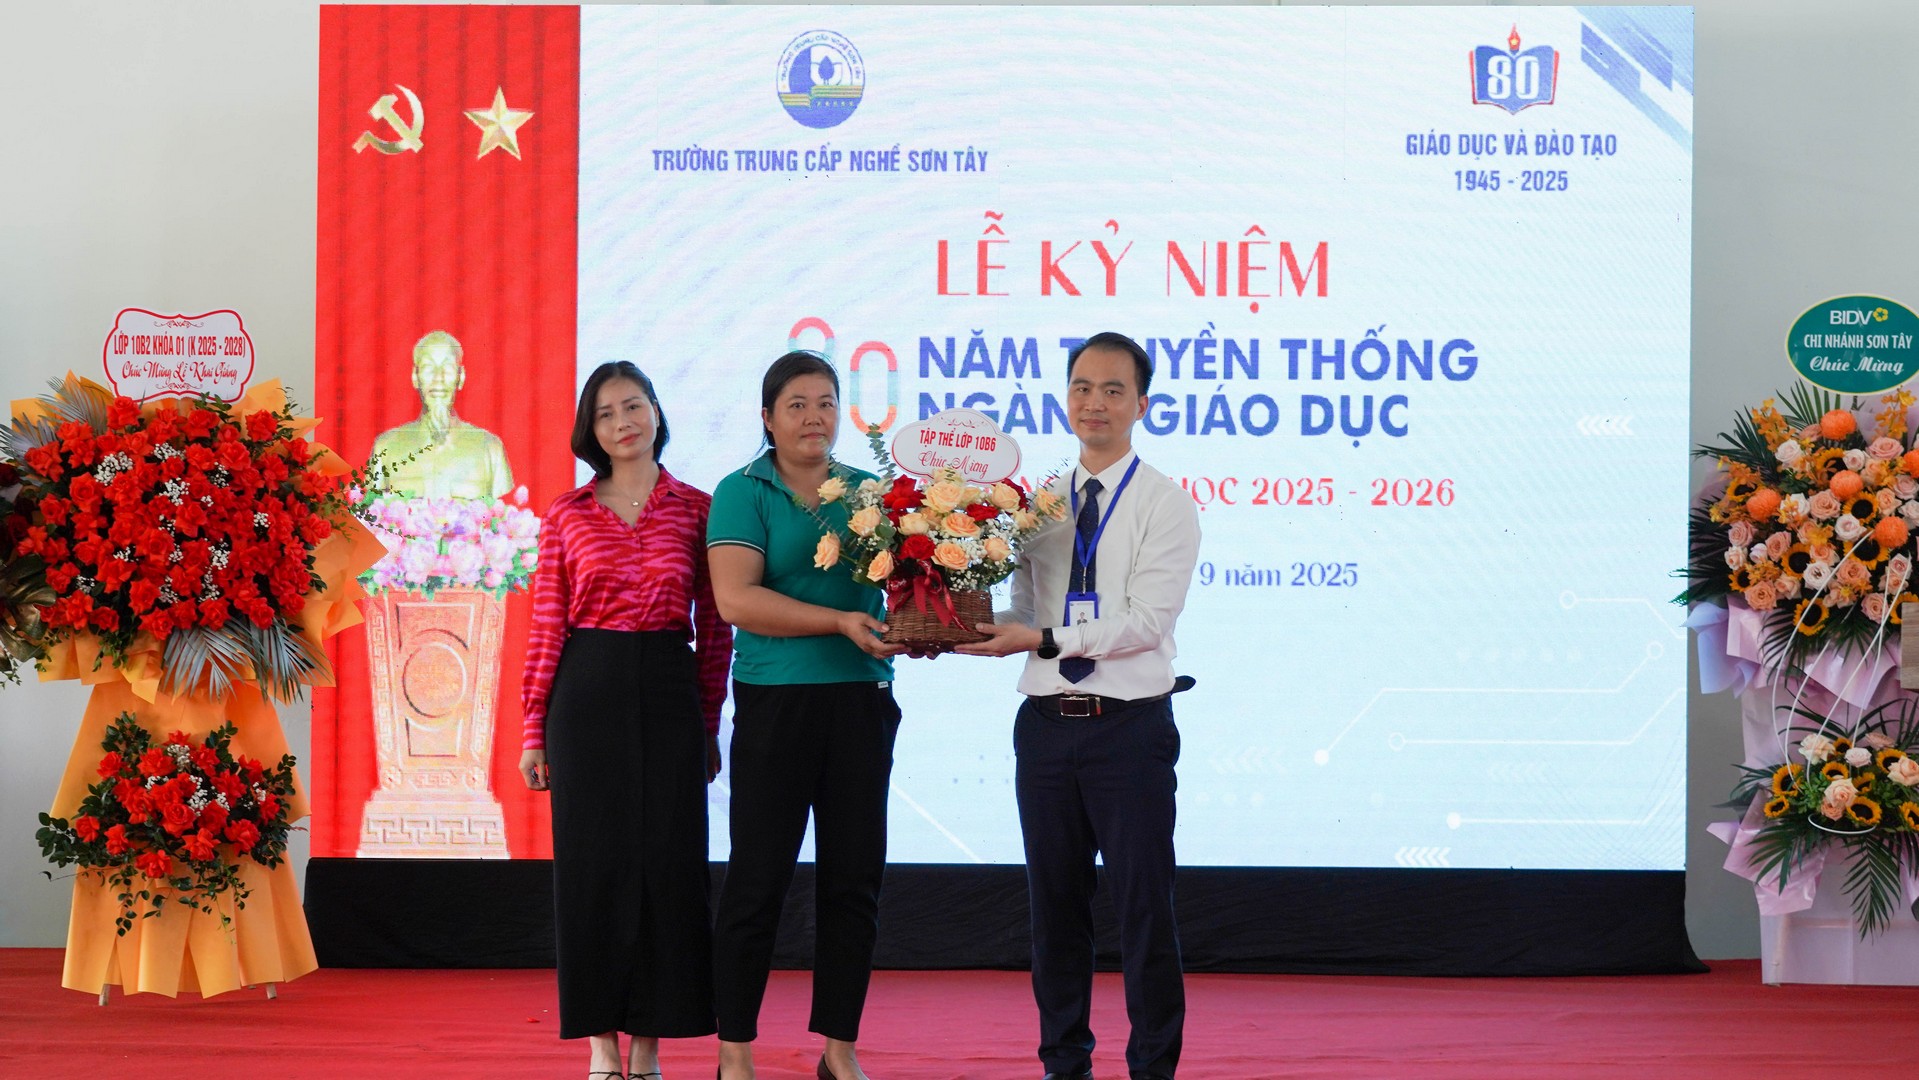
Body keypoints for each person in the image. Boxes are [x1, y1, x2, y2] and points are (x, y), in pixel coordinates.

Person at [957, 332, 1201, 1080]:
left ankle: (1152, 1067)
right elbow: (1024, 610)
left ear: (1141, 405)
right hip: (1044, 730)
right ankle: (1063, 1064)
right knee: (1053, 910)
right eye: (1082, 388)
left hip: (1128, 731)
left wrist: (1042, 637)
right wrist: (956, 623)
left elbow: (1145, 624)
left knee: (1142, 909)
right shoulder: (1037, 507)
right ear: (1065, 398)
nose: (1095, 403)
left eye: (1113, 390)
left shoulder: (1165, 503)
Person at [519, 361, 732, 1080]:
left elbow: (717, 628)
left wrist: (708, 722)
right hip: (587, 692)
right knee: (593, 867)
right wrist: (532, 728)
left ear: (656, 412)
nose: (623, 423)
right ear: (592, 430)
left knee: (669, 865)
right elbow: (547, 624)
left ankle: (648, 1045)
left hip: (670, 688)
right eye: (606, 413)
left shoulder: (698, 509)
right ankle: (601, 1045)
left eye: (633, 406)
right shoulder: (567, 514)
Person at [706, 351, 906, 1080]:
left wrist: (928, 621)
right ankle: (734, 1050)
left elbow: (899, 590)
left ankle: (839, 1050)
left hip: (860, 701)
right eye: (796, 405)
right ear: (767, 418)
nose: (813, 417)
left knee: (854, 883)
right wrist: (839, 622)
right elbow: (736, 600)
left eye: (825, 403)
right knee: (757, 880)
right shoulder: (742, 491)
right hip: (777, 704)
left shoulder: (868, 492)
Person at [368, 329, 515, 499]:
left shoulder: (489, 448)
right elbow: (369, 511)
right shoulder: (386, 448)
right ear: (415, 377)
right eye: (428, 368)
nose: (438, 378)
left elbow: (502, 511)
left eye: (448, 368)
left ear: (461, 377)